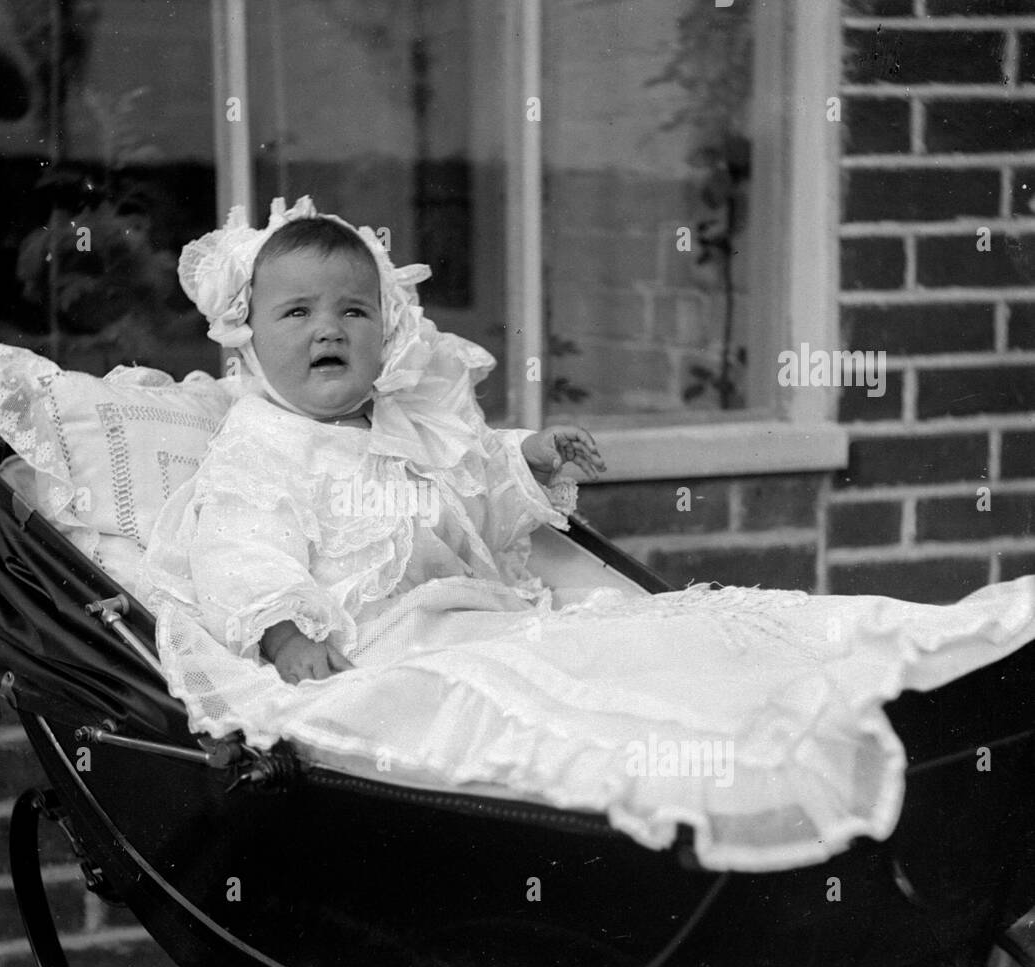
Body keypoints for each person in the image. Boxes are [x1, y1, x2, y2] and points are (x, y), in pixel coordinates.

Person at [135, 196, 1035, 872]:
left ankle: (905, 666)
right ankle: (715, 782)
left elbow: (473, 492)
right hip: (382, 641)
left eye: (354, 312)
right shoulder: (258, 453)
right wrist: (288, 635)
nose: (328, 328)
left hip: (480, 609)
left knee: (655, 645)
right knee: (542, 703)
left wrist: (526, 453)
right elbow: (237, 553)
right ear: (246, 338)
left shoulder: (407, 427)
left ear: (386, 332)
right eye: (297, 314)